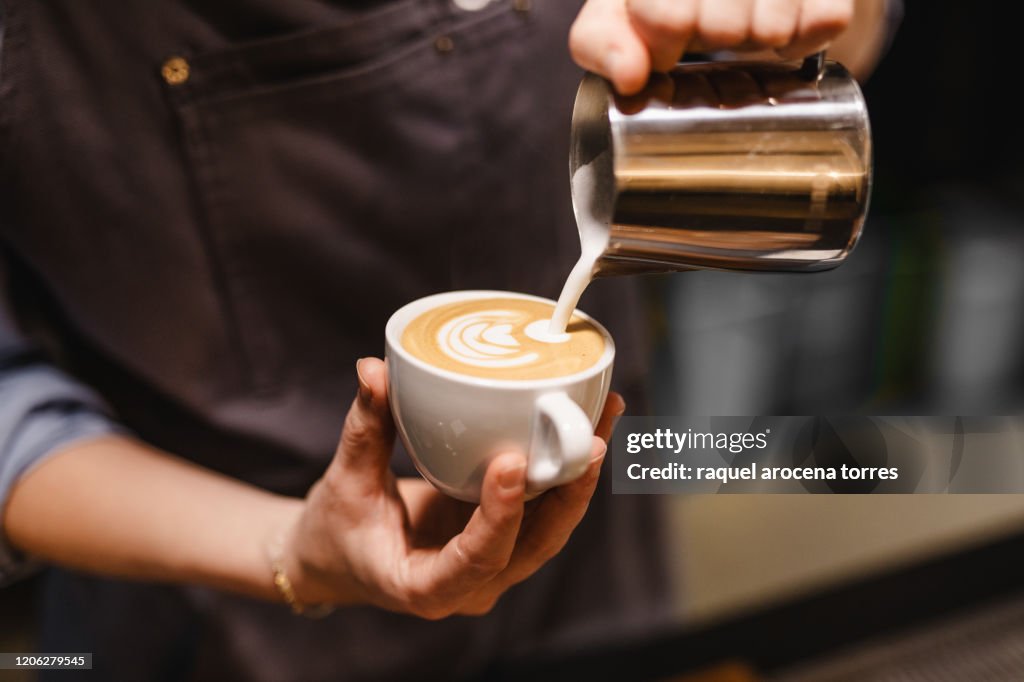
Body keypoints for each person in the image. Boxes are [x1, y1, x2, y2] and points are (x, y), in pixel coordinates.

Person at [0, 1, 887, 679]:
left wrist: (813, 21)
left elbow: (847, 42)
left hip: (594, 575)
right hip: (214, 616)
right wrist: (291, 551)